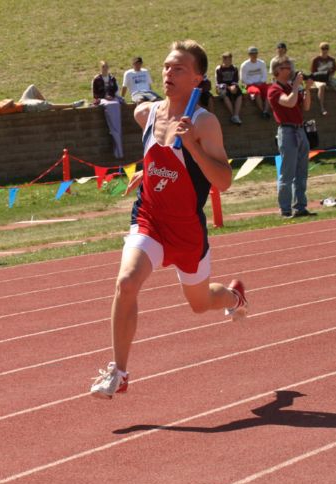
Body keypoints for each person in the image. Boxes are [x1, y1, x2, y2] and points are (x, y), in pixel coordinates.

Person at [89, 40, 247, 399]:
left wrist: (192, 145)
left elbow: (223, 181)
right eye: (165, 67)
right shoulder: (148, 113)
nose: (168, 73)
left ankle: (235, 298)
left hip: (187, 230)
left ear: (198, 78)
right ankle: (120, 372)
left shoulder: (205, 123)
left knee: (200, 304)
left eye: (178, 69)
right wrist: (148, 172)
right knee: (126, 283)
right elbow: (150, 141)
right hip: (150, 218)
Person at [268, 57, 315, 218]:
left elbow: (306, 106)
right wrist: (296, 86)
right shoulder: (274, 89)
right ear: (277, 71)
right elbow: (289, 102)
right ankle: (285, 209)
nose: (290, 70)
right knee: (287, 173)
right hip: (287, 132)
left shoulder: (291, 87)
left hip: (300, 130)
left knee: (302, 172)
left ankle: (300, 206)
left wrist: (307, 89)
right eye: (286, 67)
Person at [0, 85, 85, 116]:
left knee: (32, 88)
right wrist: (8, 100)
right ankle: (72, 105)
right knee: (45, 105)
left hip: (21, 102)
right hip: (25, 107)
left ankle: (48, 106)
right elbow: (10, 101)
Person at [310, 42, 336, 115]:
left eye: (326, 48)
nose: (324, 50)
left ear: (328, 49)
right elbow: (313, 73)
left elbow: (334, 70)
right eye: (323, 48)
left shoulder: (332, 59)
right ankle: (322, 108)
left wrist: (329, 78)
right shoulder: (315, 60)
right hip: (318, 78)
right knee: (322, 86)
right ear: (320, 49)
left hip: (329, 77)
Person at [240, 46, 271, 118]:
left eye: (255, 53)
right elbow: (243, 79)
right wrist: (252, 83)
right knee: (256, 92)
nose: (254, 55)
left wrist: (261, 81)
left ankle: (266, 110)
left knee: (269, 92)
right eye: (252, 54)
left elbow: (265, 75)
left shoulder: (261, 63)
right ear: (249, 55)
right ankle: (262, 110)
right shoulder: (244, 65)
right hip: (250, 85)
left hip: (261, 83)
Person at [215, 52, 242, 124]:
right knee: (224, 93)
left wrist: (234, 86)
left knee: (239, 93)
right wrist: (229, 88)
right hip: (222, 86)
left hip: (231, 85)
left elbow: (235, 80)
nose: (230, 62)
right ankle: (233, 114)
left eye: (230, 60)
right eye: (228, 60)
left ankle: (236, 115)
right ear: (223, 60)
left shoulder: (234, 68)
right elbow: (219, 82)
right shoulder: (219, 69)